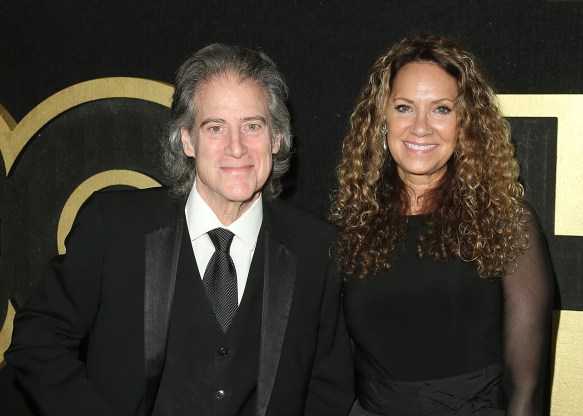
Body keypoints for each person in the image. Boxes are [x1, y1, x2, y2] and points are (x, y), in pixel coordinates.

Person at [6, 44, 354, 416]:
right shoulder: (114, 227)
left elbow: (328, 390)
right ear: (188, 139)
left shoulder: (318, 249)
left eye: (252, 126)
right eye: (215, 127)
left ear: (276, 138)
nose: (236, 148)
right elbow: (37, 340)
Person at [331, 34, 554, 416]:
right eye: (404, 107)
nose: (421, 127)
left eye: (441, 110)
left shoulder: (507, 223)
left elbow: (526, 391)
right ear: (381, 119)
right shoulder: (351, 226)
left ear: (465, 124)